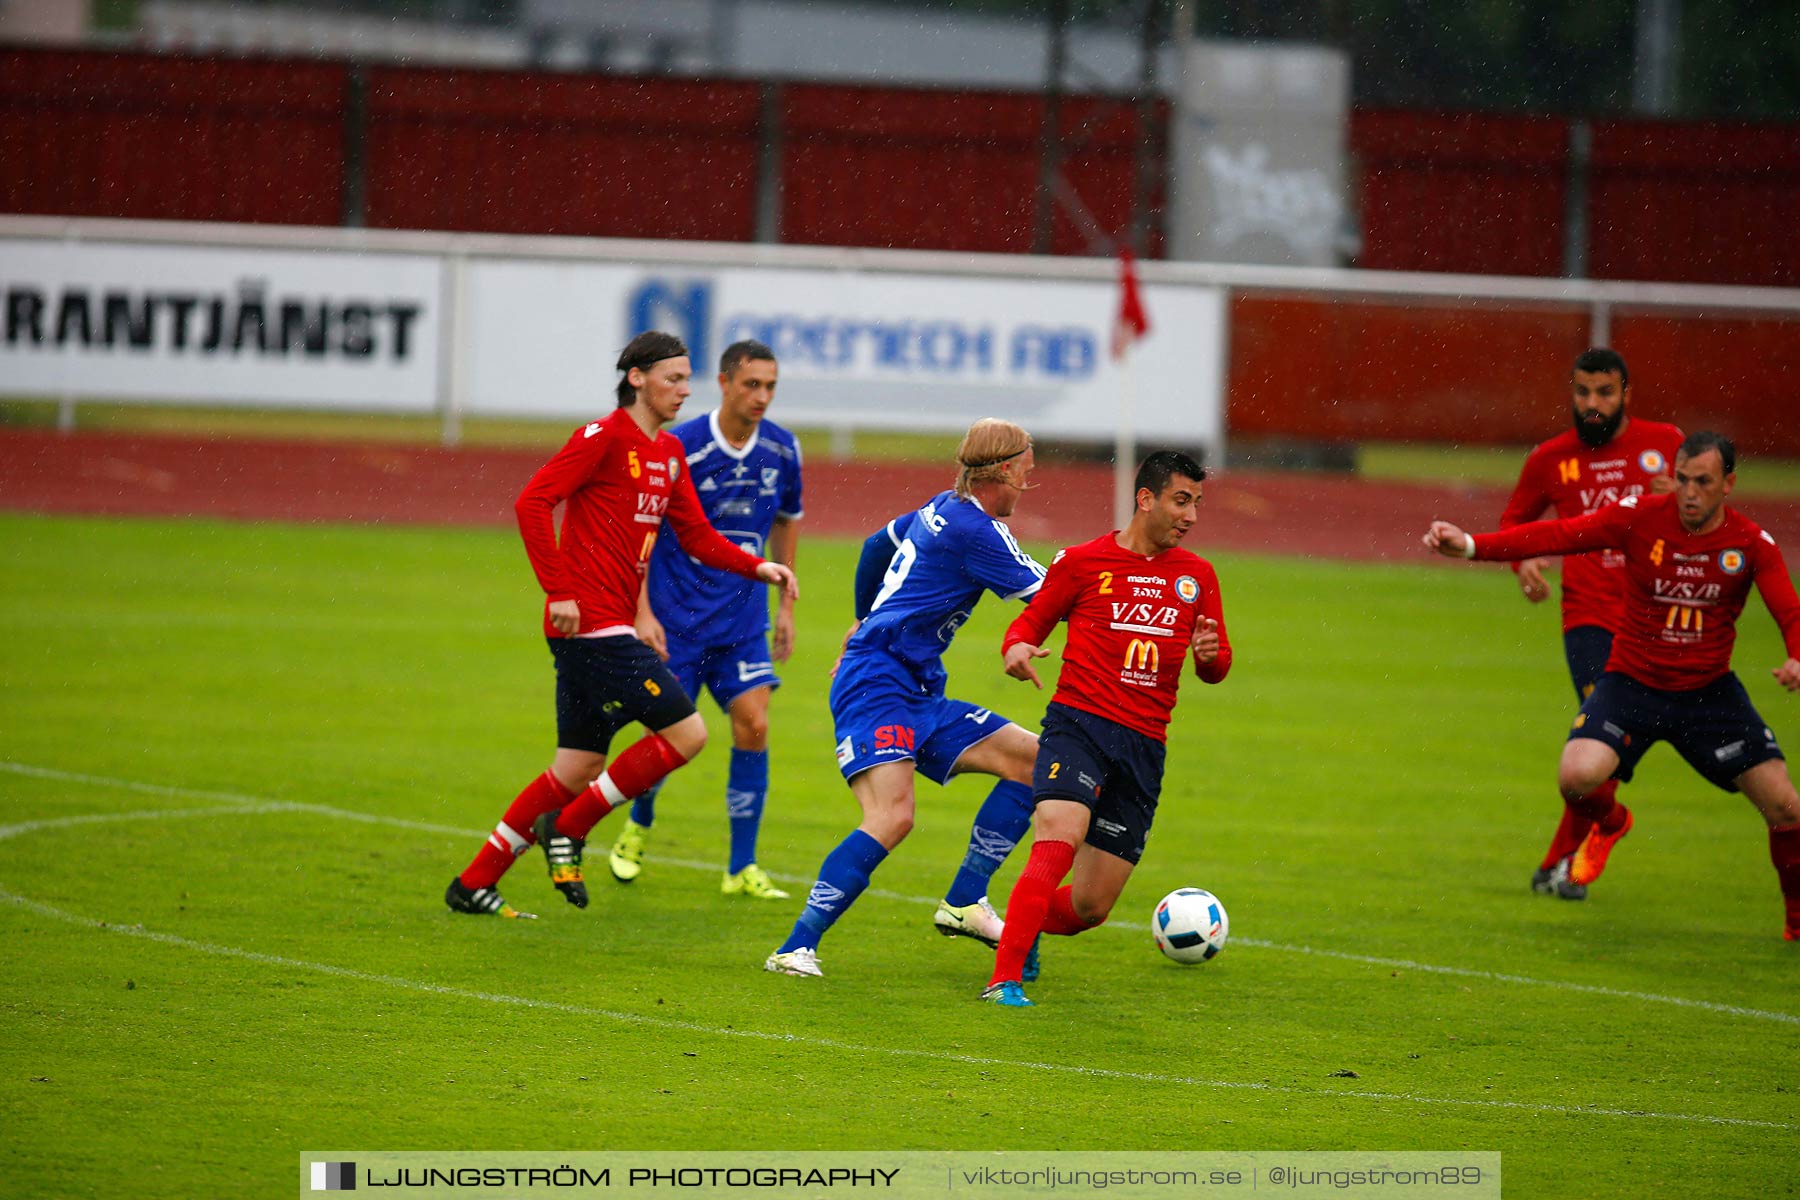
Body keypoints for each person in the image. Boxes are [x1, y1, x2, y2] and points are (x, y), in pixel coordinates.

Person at [444, 330, 798, 918]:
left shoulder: (668, 454)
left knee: (577, 766)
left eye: (687, 379)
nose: (684, 390)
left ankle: (474, 882)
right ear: (637, 378)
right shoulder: (600, 437)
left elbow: (700, 537)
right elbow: (533, 502)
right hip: (591, 624)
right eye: (673, 378)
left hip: (608, 627)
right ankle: (571, 828)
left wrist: (760, 565)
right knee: (688, 734)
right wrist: (559, 588)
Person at [1424, 432, 1800, 940]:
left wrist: (1796, 655)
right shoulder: (1638, 517)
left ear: (1728, 483)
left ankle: (1797, 923)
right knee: (1575, 777)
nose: (1689, 493)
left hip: (1709, 694)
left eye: (1703, 482)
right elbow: (1557, 536)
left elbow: (1790, 611)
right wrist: (1469, 546)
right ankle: (1612, 821)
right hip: (1632, 684)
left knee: (1785, 807)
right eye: (1683, 480)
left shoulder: (1751, 544)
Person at [763, 418, 1048, 978]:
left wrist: (862, 616)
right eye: (1026, 475)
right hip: (876, 683)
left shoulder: (943, 504)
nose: (1026, 486)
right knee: (892, 816)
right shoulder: (979, 531)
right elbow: (1052, 592)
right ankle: (795, 948)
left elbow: (876, 546)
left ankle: (966, 899)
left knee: (1034, 763)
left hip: (914, 686)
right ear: (1005, 470)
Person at [982, 450, 1232, 1007]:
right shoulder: (1082, 562)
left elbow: (1217, 668)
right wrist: (1015, 647)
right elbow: (1028, 622)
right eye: (1181, 500)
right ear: (1146, 499)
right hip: (1079, 726)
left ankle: (1010, 921)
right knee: (1059, 837)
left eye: (1197, 503)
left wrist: (1211, 657)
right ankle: (1005, 981)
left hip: (1143, 746)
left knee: (1090, 909)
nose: (1190, 515)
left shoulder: (1198, 576)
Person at [604, 339, 803, 901]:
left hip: (742, 622)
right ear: (724, 383)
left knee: (755, 724)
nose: (762, 396)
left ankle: (742, 865)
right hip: (675, 620)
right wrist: (641, 611)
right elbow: (641, 531)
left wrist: (786, 605)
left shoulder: (784, 450)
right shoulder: (680, 444)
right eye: (751, 385)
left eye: (770, 386)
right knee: (667, 734)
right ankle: (639, 824)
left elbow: (787, 522)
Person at [1499, 348, 1683, 899]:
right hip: (1589, 619)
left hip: (1659, 619)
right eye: (1583, 393)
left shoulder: (1667, 445)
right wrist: (1522, 558)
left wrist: (1682, 502)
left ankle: (1568, 852)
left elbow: (1714, 511)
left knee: (1609, 748)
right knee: (1601, 737)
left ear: (1627, 393)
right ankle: (1575, 852)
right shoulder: (1550, 458)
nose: (1593, 404)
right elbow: (1515, 519)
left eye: (1604, 393)